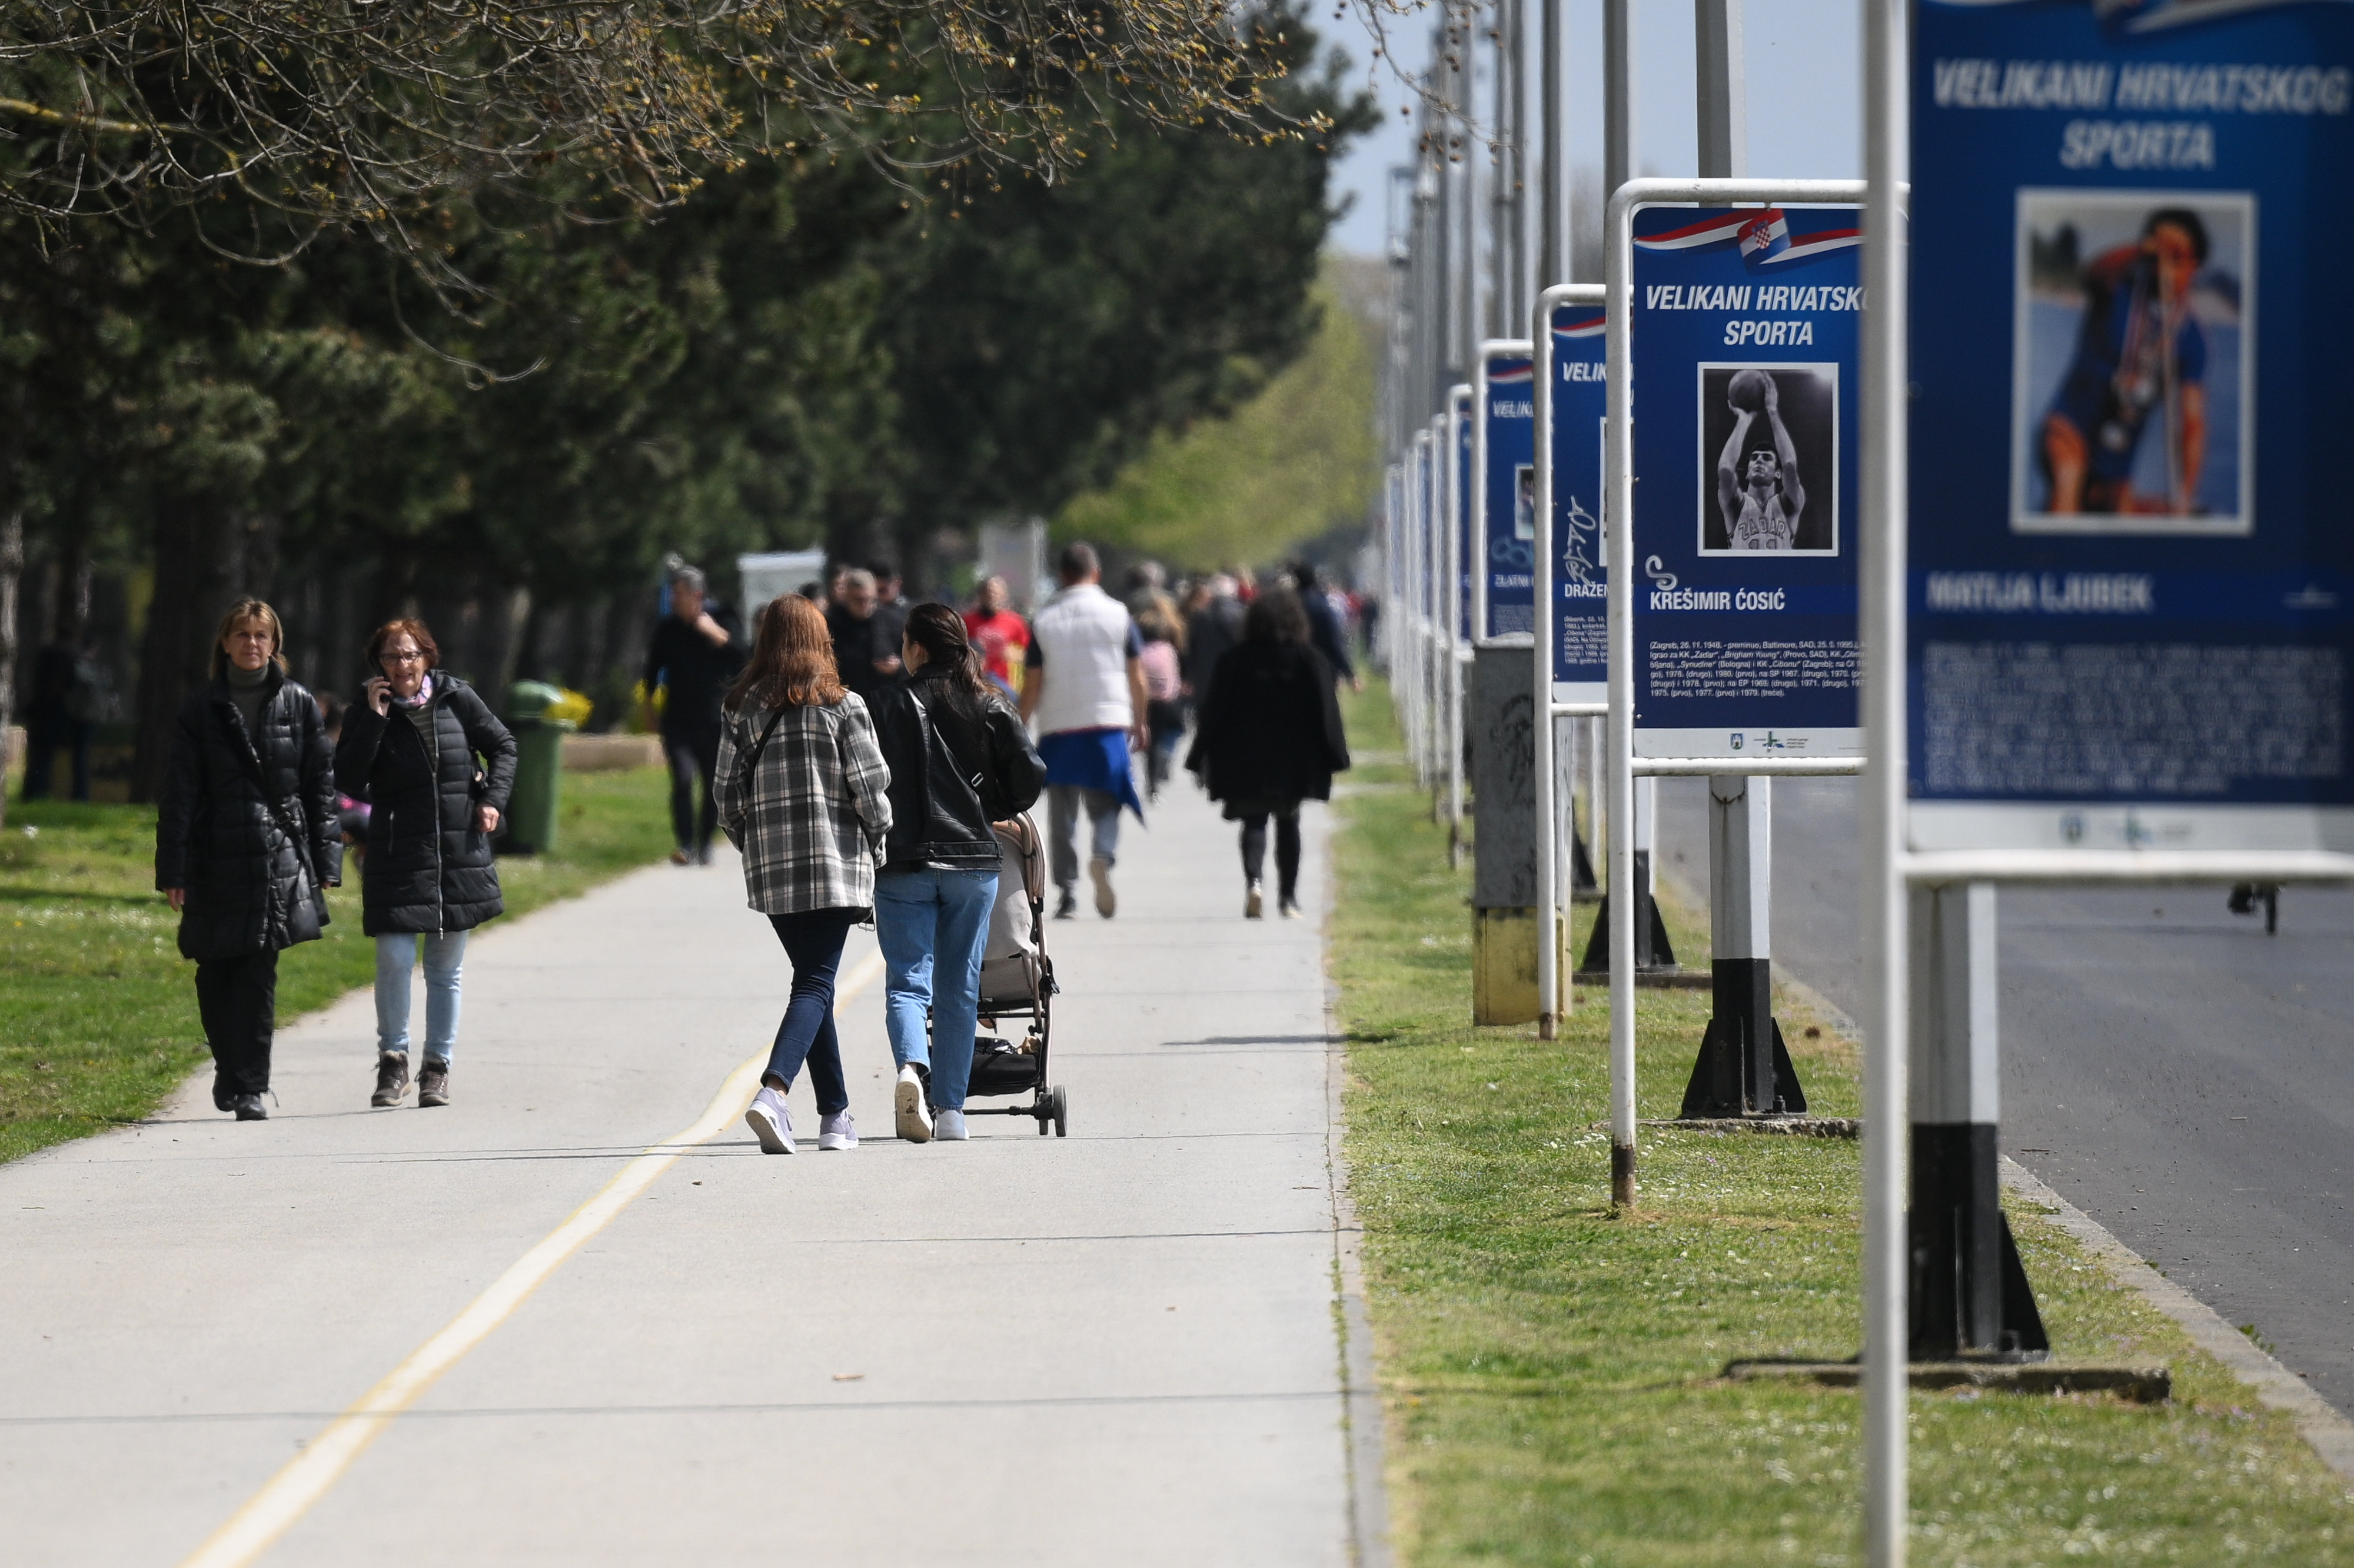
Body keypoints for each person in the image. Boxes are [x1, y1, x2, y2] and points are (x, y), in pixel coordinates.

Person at [715, 595, 893, 1155]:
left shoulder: (741, 709)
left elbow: (726, 796)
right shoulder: (843, 705)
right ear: (821, 640)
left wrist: (755, 843)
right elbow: (871, 790)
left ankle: (836, 1116)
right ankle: (774, 1091)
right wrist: (878, 843)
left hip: (773, 870)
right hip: (835, 864)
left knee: (811, 982)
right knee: (815, 984)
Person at [154, 599, 342, 1120]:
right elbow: (180, 794)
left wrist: (327, 860)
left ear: (275, 644)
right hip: (214, 858)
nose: (252, 643)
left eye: (261, 635)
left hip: (275, 859)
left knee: (258, 975)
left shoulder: (298, 703)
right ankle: (229, 1068)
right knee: (215, 973)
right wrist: (172, 870)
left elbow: (320, 787)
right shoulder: (201, 708)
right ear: (225, 642)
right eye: (243, 634)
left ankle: (251, 1086)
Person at [867, 604, 1046, 1143]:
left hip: (903, 861)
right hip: (973, 861)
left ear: (918, 648)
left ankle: (911, 1069)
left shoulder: (885, 704)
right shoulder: (990, 702)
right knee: (960, 986)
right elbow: (1028, 776)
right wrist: (991, 806)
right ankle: (951, 1112)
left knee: (907, 981)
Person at [334, 619, 519, 1110]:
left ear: (428, 658)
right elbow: (347, 777)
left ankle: (437, 1067)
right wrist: (375, 720)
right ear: (379, 666)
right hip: (397, 855)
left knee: (444, 969)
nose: (403, 665)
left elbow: (503, 745)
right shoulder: (365, 711)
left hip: (458, 853)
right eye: (392, 657)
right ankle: (392, 1059)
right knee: (394, 959)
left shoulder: (458, 699)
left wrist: (493, 799)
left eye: (411, 655)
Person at [1186, 589, 1351, 920]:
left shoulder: (1234, 659)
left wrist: (1199, 754)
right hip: (1294, 759)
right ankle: (1288, 899)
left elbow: (1213, 712)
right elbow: (1327, 712)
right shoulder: (1310, 659)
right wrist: (1336, 755)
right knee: (1289, 822)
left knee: (1254, 820)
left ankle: (1255, 883)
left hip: (1245, 757)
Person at [2042, 207, 2212, 517]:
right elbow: (2093, 272)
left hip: (2116, 461)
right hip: (2069, 429)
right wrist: (2141, 249)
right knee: (2067, 489)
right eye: (2159, 254)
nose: (2165, 267)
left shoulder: (2191, 339)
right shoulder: (2118, 288)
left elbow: (2192, 423)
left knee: (2123, 513)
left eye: (2177, 258)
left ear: (2195, 265)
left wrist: (2185, 498)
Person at [1020, 542, 1147, 920]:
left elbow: (1033, 682)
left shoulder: (1044, 620)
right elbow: (1136, 674)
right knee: (1108, 801)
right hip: (1108, 722)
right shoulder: (1118, 615)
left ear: (1062, 575)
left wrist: (1019, 724)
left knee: (1063, 814)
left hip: (1058, 726)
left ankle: (1068, 892)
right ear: (1097, 573)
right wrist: (1140, 719)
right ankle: (1102, 856)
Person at [641, 565, 746, 865]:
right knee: (684, 778)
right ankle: (685, 844)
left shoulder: (724, 616)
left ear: (697, 595)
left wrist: (716, 634)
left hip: (715, 718)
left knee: (713, 784)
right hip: (678, 718)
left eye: (679, 594)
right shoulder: (668, 628)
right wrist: (648, 708)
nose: (673, 600)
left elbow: (743, 658)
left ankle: (705, 843)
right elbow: (651, 670)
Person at [1716, 373, 1808, 551]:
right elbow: (1725, 469)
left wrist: (1773, 411)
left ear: (1778, 473)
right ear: (1747, 472)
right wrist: (1744, 421)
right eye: (1754, 458)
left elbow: (1789, 464)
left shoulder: (1788, 505)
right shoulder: (1736, 505)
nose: (1759, 460)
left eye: (1767, 458)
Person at [21, 618, 104, 801]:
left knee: (42, 756)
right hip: (82, 716)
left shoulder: (51, 653)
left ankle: (36, 793)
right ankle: (80, 796)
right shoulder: (80, 656)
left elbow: (46, 686)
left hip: (52, 712)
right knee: (79, 758)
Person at [825, 567, 908, 704]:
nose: (864, 605)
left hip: (886, 701)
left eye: (869, 600)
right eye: (858, 600)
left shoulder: (892, 621)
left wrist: (898, 666)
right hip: (846, 700)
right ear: (846, 597)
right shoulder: (832, 624)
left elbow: (913, 658)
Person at [1135, 604, 1186, 802]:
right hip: (1168, 702)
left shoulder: (1139, 652)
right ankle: (1166, 757)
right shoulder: (1169, 650)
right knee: (1174, 731)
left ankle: (1152, 784)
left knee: (1151, 744)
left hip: (1147, 701)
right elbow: (1175, 678)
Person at [1290, 561, 1361, 694]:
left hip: (1290, 669)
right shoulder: (1321, 608)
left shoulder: (1287, 607)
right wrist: (1349, 674)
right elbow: (1333, 644)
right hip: (1319, 670)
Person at [962, 575, 1031, 700]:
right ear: (981, 595)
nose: (992, 598)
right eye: (988, 593)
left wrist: (1015, 654)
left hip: (1004, 684)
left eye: (996, 594)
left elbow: (1030, 655)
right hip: (975, 682)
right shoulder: (967, 621)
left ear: (1004, 596)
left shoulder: (1016, 623)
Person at [1182, 572, 1246, 703]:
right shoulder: (1244, 615)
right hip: (1236, 678)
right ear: (1233, 592)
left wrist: (1188, 675)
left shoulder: (1200, 617)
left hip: (1206, 682)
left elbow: (1191, 649)